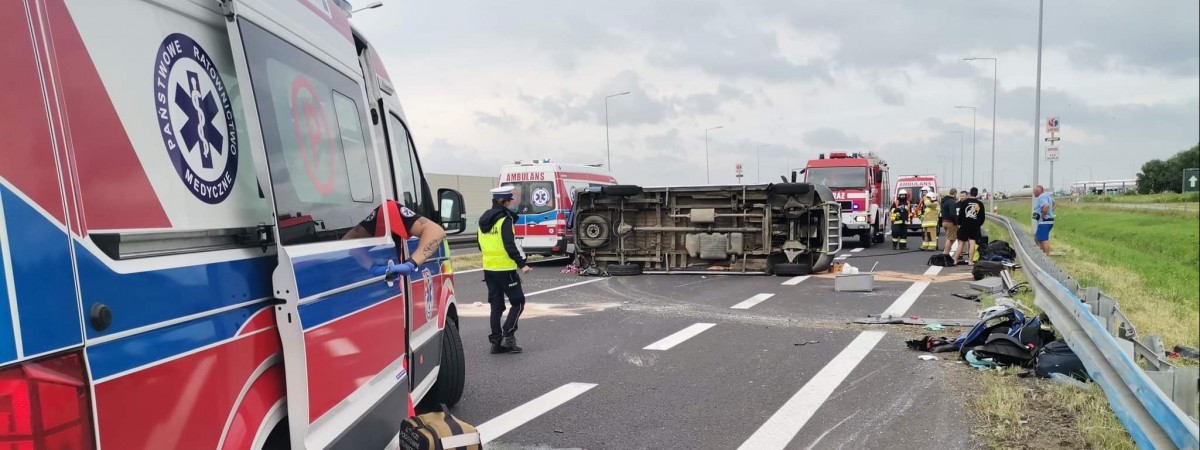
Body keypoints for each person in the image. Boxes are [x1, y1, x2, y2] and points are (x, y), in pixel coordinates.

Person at [478, 186, 532, 354]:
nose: (511, 204)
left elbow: (480, 245)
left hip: (489, 269)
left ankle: (496, 343)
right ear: (504, 201)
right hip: (505, 269)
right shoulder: (505, 220)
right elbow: (510, 244)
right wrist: (522, 264)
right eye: (510, 201)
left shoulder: (483, 220)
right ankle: (508, 336)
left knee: (496, 306)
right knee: (518, 302)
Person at [343, 199, 447, 276]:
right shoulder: (387, 210)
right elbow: (348, 244)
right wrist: (372, 268)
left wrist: (410, 264)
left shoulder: (388, 210)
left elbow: (436, 231)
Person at [952, 187, 986, 266]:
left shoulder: (964, 202)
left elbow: (960, 215)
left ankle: (955, 259)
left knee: (961, 243)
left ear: (970, 193)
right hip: (975, 226)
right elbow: (982, 217)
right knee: (972, 242)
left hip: (964, 225)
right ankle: (970, 261)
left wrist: (959, 223)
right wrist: (978, 224)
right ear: (977, 194)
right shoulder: (980, 204)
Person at [1033, 184, 1056, 255]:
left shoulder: (1041, 197)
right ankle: (1041, 253)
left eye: (1034, 191)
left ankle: (1046, 256)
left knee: (1043, 239)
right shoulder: (1047, 196)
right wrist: (1051, 211)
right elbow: (1054, 203)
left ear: (1037, 191)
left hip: (1044, 222)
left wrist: (1043, 214)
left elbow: (1046, 205)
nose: (1033, 193)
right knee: (1037, 238)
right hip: (1048, 221)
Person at [919, 186, 940, 251]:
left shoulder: (935, 203)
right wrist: (921, 216)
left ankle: (932, 246)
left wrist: (925, 198)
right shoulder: (929, 203)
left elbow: (928, 204)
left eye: (925, 192)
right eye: (923, 192)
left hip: (931, 222)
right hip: (926, 223)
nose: (923, 194)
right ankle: (925, 245)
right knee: (927, 235)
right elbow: (925, 212)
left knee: (932, 235)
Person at [940, 188, 959, 255]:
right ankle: (945, 253)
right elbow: (952, 214)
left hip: (944, 221)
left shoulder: (944, 201)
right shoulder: (952, 202)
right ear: (955, 193)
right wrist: (956, 222)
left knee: (948, 237)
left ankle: (946, 251)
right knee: (950, 239)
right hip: (950, 222)